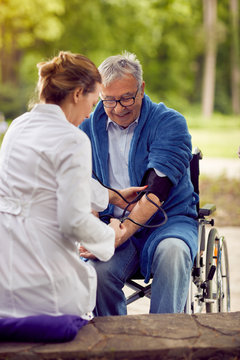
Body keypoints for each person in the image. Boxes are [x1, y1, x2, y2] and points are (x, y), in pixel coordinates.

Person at [0, 51, 143, 320]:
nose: (91, 115)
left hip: (5, 283)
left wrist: (113, 197)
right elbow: (73, 222)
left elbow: (47, 180)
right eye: (92, 102)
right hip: (46, 295)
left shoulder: (18, 128)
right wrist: (111, 235)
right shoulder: (73, 139)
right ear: (78, 94)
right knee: (85, 287)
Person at [79, 51, 199, 315]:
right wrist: (93, 232)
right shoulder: (85, 128)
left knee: (174, 254)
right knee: (96, 272)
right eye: (109, 100)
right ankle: (115, 346)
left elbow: (157, 190)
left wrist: (123, 231)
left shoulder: (170, 122)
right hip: (110, 224)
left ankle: (165, 344)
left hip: (169, 222)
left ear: (141, 89)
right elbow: (82, 187)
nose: (119, 108)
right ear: (99, 92)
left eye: (126, 98)